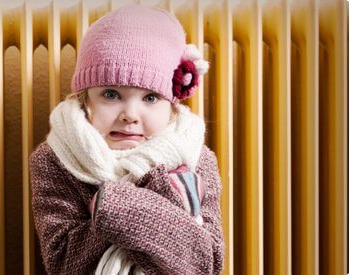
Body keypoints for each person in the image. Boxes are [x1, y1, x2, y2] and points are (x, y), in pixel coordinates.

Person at [29, 4, 225, 275]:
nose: (130, 115)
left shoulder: (195, 158)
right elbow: (63, 264)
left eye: (150, 98)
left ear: (171, 106)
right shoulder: (56, 160)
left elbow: (205, 264)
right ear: (86, 99)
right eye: (111, 94)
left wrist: (116, 206)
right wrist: (149, 206)